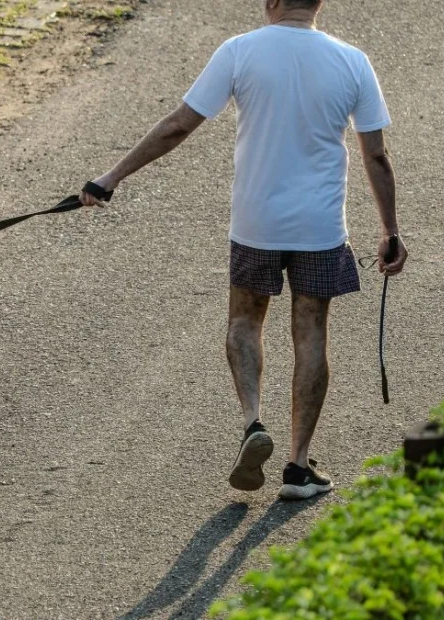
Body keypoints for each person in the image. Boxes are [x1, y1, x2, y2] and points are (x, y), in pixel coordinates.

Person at [80, 0, 408, 500]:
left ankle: (254, 421)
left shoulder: (240, 51)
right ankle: (298, 468)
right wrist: (390, 230)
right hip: (320, 227)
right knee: (311, 332)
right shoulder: (352, 61)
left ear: (273, 1)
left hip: (257, 222)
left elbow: (177, 126)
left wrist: (110, 179)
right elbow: (376, 156)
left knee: (244, 322)